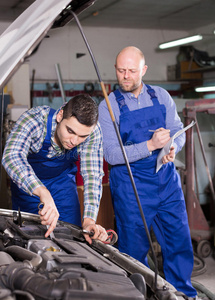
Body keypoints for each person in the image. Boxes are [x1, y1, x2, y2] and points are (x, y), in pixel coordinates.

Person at [98, 46, 197, 299]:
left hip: (166, 181)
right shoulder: (108, 106)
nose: (126, 76)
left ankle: (183, 294)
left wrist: (171, 146)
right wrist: (150, 146)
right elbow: (111, 155)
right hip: (131, 187)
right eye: (121, 71)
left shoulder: (161, 96)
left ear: (144, 70)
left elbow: (177, 130)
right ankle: (137, 295)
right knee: (132, 250)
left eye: (132, 70)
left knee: (178, 241)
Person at [2, 94, 108, 243]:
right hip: (30, 187)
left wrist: (89, 220)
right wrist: (42, 191)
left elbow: (92, 175)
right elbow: (11, 156)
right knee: (27, 239)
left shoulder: (92, 131)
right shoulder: (34, 120)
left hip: (63, 186)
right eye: (70, 131)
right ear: (60, 115)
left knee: (71, 238)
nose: (74, 141)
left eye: (81, 136)